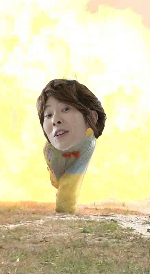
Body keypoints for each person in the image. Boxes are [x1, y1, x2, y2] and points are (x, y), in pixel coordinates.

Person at [36, 79, 106, 213]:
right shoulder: (51, 149)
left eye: (66, 109)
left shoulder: (88, 142)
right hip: (55, 155)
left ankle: (66, 207)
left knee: (70, 180)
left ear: (91, 116)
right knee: (57, 179)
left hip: (79, 150)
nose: (55, 120)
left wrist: (66, 206)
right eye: (48, 114)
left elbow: (73, 178)